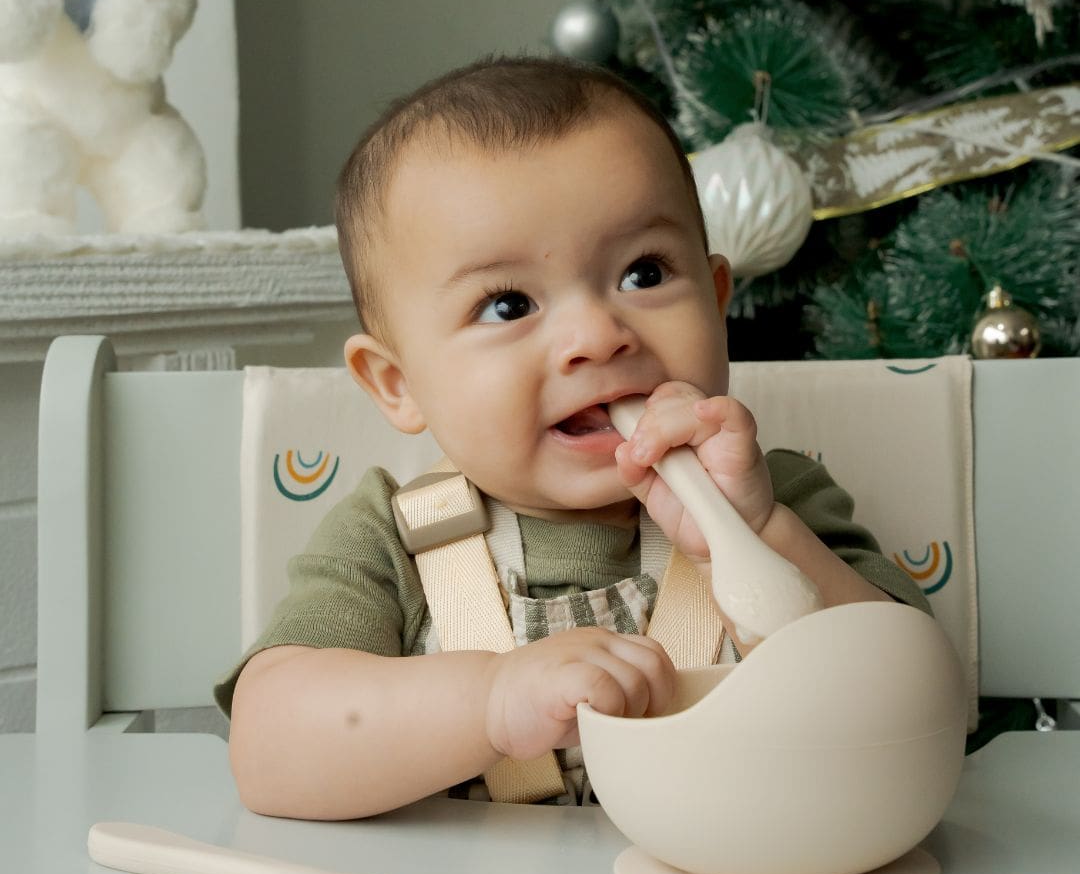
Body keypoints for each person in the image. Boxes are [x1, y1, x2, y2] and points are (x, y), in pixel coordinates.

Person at [217, 55, 927, 820]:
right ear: (399, 383)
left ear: (718, 301)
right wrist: (488, 702)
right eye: (507, 303)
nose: (597, 334)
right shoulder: (396, 537)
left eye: (645, 274)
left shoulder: (774, 498)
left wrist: (753, 535)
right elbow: (268, 751)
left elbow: (919, 712)